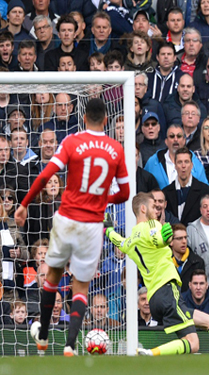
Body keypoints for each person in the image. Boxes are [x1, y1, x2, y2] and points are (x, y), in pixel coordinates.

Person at [17, 98, 130, 356]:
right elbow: (125, 192)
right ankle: (70, 345)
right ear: (106, 120)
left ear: (82, 119)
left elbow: (46, 175)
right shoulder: (115, 149)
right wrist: (102, 201)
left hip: (67, 218)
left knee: (52, 277)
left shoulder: (71, 141)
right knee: (80, 286)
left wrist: (24, 204)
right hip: (92, 225)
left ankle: (43, 337)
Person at [105, 192, 209, 356]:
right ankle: (151, 353)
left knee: (207, 321)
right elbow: (157, 239)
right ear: (142, 208)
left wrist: (109, 229)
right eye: (154, 207)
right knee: (193, 344)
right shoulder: (152, 225)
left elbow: (118, 240)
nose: (158, 209)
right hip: (167, 290)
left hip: (154, 298)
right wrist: (164, 239)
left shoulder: (131, 239)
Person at [162, 147, 209, 226]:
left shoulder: (204, 190)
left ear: (192, 165)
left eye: (186, 162)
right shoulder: (166, 192)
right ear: (175, 166)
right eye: (179, 162)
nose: (183, 166)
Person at [170, 223, 205, 293]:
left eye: (185, 237)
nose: (184, 241)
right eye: (179, 238)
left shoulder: (197, 262)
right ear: (171, 242)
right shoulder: (165, 262)